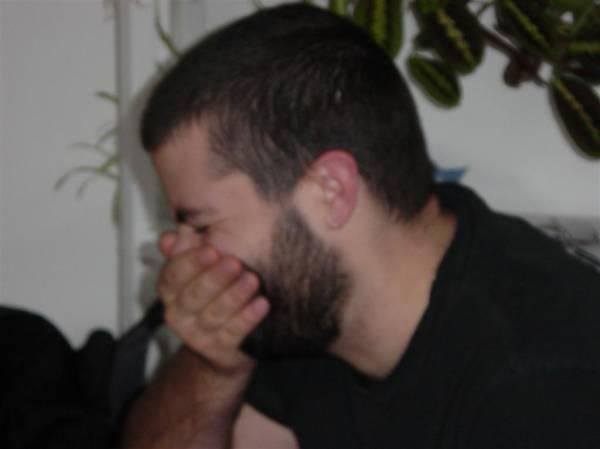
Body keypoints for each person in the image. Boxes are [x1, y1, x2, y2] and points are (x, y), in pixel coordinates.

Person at [121, 3, 600, 449]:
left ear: (330, 191)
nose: (182, 257)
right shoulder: (307, 298)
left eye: (202, 226)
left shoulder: (544, 383)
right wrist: (214, 364)